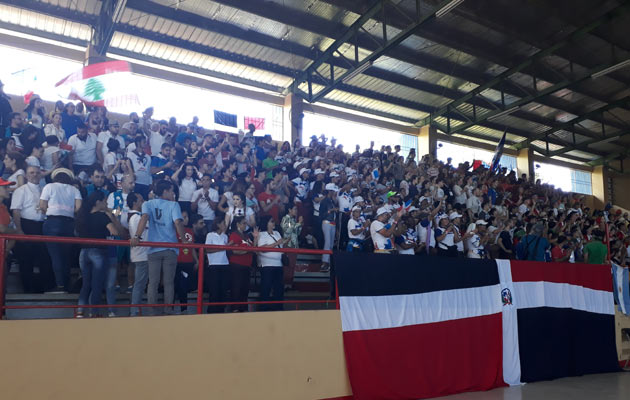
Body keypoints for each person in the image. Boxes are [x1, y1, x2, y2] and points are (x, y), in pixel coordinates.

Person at [130, 180, 189, 315]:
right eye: (171, 190)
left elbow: (144, 218)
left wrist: (137, 237)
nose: (173, 193)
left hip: (153, 248)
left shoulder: (148, 204)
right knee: (168, 282)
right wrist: (185, 240)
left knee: (153, 282)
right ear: (165, 191)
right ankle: (168, 309)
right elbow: (178, 223)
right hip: (169, 248)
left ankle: (151, 310)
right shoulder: (174, 205)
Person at [75, 191, 124, 318]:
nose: (106, 203)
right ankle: (94, 312)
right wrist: (112, 215)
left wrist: (110, 211)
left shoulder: (82, 216)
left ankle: (80, 311)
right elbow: (115, 232)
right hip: (98, 252)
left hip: (84, 252)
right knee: (96, 283)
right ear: (98, 202)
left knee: (86, 284)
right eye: (104, 201)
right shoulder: (102, 216)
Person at [11, 166, 53, 292]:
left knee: (44, 258)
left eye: (37, 173)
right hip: (26, 225)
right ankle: (28, 288)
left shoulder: (44, 190)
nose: (34, 175)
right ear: (26, 175)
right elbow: (16, 211)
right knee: (26, 259)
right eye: (31, 173)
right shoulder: (21, 190)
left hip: (41, 226)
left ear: (41, 175)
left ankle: (45, 287)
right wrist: (19, 230)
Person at [40, 168, 82, 292]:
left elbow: (42, 205)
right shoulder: (74, 190)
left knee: (55, 255)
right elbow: (78, 207)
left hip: (52, 222)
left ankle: (60, 285)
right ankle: (66, 283)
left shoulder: (49, 187)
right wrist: (68, 212)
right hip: (69, 223)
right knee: (66, 256)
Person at [254, 215, 288, 311]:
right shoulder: (262, 234)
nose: (274, 223)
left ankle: (279, 307)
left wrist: (283, 242)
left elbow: (280, 245)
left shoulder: (277, 233)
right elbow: (262, 249)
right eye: (271, 221)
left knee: (279, 288)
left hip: (278, 264)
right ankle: (264, 308)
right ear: (266, 223)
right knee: (266, 287)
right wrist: (277, 243)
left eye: (273, 221)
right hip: (267, 265)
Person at [127, 191, 148, 317]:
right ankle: (134, 311)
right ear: (135, 202)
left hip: (140, 254)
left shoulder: (134, 217)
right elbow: (139, 235)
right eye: (141, 200)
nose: (143, 202)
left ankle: (135, 310)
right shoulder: (136, 218)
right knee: (139, 285)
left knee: (140, 284)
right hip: (141, 255)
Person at [205, 218, 231, 313]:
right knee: (214, 291)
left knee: (223, 291)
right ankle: (212, 312)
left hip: (225, 264)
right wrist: (224, 247)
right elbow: (207, 250)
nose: (225, 225)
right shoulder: (210, 235)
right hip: (214, 265)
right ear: (218, 224)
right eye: (224, 223)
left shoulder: (225, 236)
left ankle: (221, 311)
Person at [228, 216, 253, 312]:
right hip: (237, 265)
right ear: (238, 224)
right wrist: (247, 250)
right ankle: (235, 308)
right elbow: (233, 250)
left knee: (245, 289)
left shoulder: (246, 236)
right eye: (243, 223)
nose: (245, 225)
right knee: (236, 287)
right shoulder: (234, 235)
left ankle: (243, 308)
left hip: (246, 265)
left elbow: (253, 248)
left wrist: (254, 238)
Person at [280, 204, 302, 288]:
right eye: (294, 209)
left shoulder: (293, 220)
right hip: (288, 245)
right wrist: (298, 224)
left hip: (294, 245)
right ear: (289, 210)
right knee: (287, 265)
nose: (296, 211)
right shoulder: (285, 219)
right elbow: (287, 230)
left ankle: (289, 284)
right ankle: (284, 284)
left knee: (292, 265)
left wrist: (300, 225)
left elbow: (297, 233)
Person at [319, 183, 339, 271]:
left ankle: (329, 262)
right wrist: (331, 210)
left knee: (330, 244)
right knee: (327, 243)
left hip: (332, 223)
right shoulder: (324, 201)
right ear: (330, 191)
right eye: (333, 191)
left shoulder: (332, 201)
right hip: (326, 222)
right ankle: (325, 262)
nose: (335, 193)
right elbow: (321, 215)